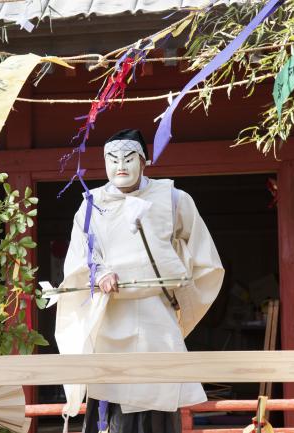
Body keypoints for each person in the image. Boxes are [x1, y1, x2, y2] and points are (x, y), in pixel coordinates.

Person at [54, 129, 224, 433]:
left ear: (143, 162)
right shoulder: (91, 204)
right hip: (110, 318)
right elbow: (79, 260)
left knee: (157, 399)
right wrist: (100, 274)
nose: (120, 165)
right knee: (110, 398)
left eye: (129, 158)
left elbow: (206, 261)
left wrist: (181, 292)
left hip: (156, 317)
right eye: (112, 159)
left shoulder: (173, 199)